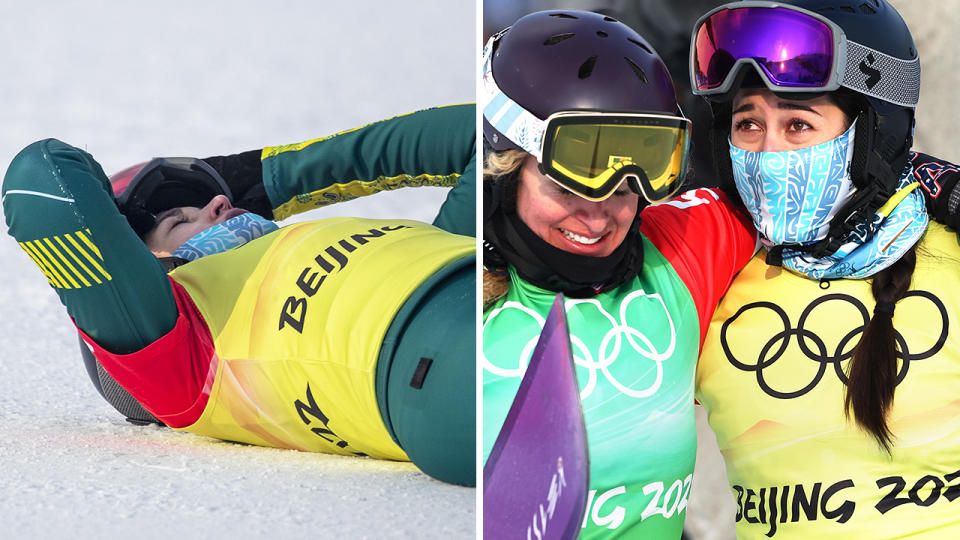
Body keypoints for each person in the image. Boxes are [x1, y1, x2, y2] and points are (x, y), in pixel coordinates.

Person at [3, 104, 477, 487]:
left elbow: (487, 135)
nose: (218, 203)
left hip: (479, 285)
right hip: (431, 369)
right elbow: (39, 179)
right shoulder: (177, 353)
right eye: (180, 221)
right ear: (145, 272)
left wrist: (258, 176)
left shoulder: (411, 247)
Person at [480, 11, 758, 537]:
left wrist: (938, 183)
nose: (599, 216)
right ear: (506, 167)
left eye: (627, 187)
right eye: (568, 185)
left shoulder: (675, 252)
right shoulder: (462, 299)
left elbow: (815, 193)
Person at [689, 0, 960, 536]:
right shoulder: (710, 270)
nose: (768, 153)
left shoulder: (951, 255)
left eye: (798, 125)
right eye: (747, 124)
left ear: (873, 133)